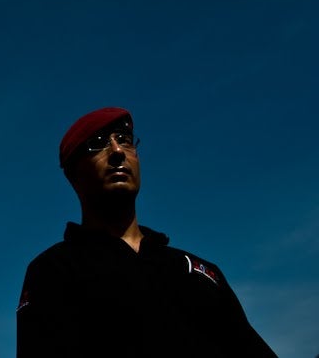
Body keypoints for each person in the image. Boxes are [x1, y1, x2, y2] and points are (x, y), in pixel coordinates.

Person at [16, 107, 275, 357]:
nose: (117, 151)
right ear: (73, 174)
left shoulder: (200, 272)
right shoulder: (53, 269)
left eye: (125, 140)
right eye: (98, 143)